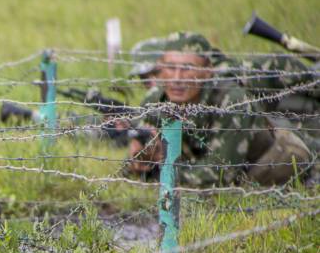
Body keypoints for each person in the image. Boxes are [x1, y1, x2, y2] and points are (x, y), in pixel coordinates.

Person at [126, 31, 314, 186]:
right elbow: (135, 159)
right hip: (212, 165)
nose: (177, 78)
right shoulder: (156, 98)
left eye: (187, 68)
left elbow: (219, 176)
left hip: (274, 165)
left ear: (208, 71)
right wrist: (140, 152)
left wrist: (162, 167)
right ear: (159, 70)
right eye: (170, 68)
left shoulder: (231, 102)